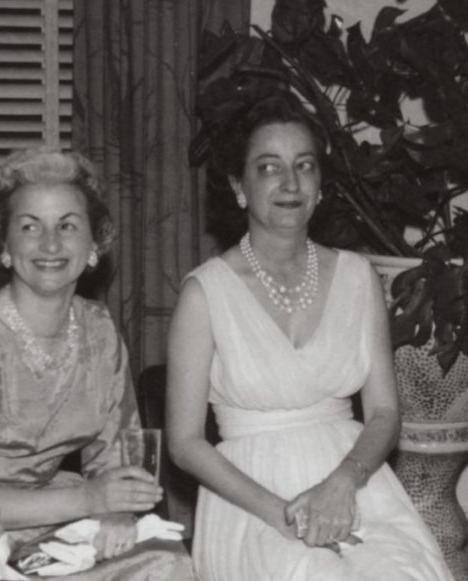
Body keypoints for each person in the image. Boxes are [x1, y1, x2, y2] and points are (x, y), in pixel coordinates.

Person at [166, 92, 453, 580]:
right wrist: (283, 515)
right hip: (251, 500)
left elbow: (384, 413)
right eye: (269, 167)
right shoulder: (204, 293)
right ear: (239, 186)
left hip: (355, 483)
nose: (290, 182)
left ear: (320, 187)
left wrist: (343, 483)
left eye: (304, 165)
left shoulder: (358, 276)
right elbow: (185, 443)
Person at [0, 147, 193, 577]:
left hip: (59, 515)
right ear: (4, 245)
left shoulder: (100, 328)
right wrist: (89, 500)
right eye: (30, 226)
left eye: (67, 225)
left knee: (163, 561)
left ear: (95, 243)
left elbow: (118, 453)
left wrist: (116, 511)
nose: (50, 244)